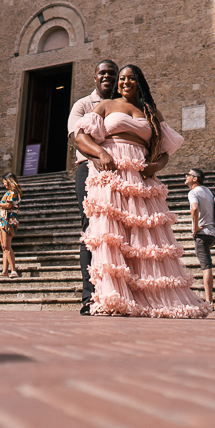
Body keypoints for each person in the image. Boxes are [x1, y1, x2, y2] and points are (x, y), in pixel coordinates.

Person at [75, 64, 210, 317]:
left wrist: (155, 166)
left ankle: (145, 297)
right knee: (112, 235)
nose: (124, 82)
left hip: (140, 176)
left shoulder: (151, 112)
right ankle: (114, 297)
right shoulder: (105, 106)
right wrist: (101, 152)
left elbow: (164, 152)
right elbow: (81, 138)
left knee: (143, 238)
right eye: (122, 79)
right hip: (111, 173)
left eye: (130, 78)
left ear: (140, 82)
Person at [67, 59, 120, 315]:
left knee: (120, 231)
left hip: (121, 173)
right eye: (102, 73)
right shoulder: (83, 105)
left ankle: (117, 292)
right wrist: (100, 154)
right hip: (88, 171)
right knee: (91, 231)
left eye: (111, 73)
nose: (106, 76)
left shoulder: (123, 105)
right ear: (95, 77)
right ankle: (89, 296)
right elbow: (77, 138)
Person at [185, 168, 215, 304]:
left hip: (203, 234)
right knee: (207, 264)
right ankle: (209, 300)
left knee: (206, 266)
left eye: (188, 174)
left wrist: (195, 227)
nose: (186, 176)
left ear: (195, 179)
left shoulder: (193, 192)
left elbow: (194, 208)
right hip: (213, 234)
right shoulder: (208, 191)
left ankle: (209, 301)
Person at [0, 173, 22, 278]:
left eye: (5, 182)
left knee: (7, 246)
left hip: (9, 219)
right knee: (4, 246)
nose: (4, 185)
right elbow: (4, 206)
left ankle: (13, 270)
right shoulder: (8, 193)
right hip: (2, 218)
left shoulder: (13, 192)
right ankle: (5, 271)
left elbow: (8, 205)